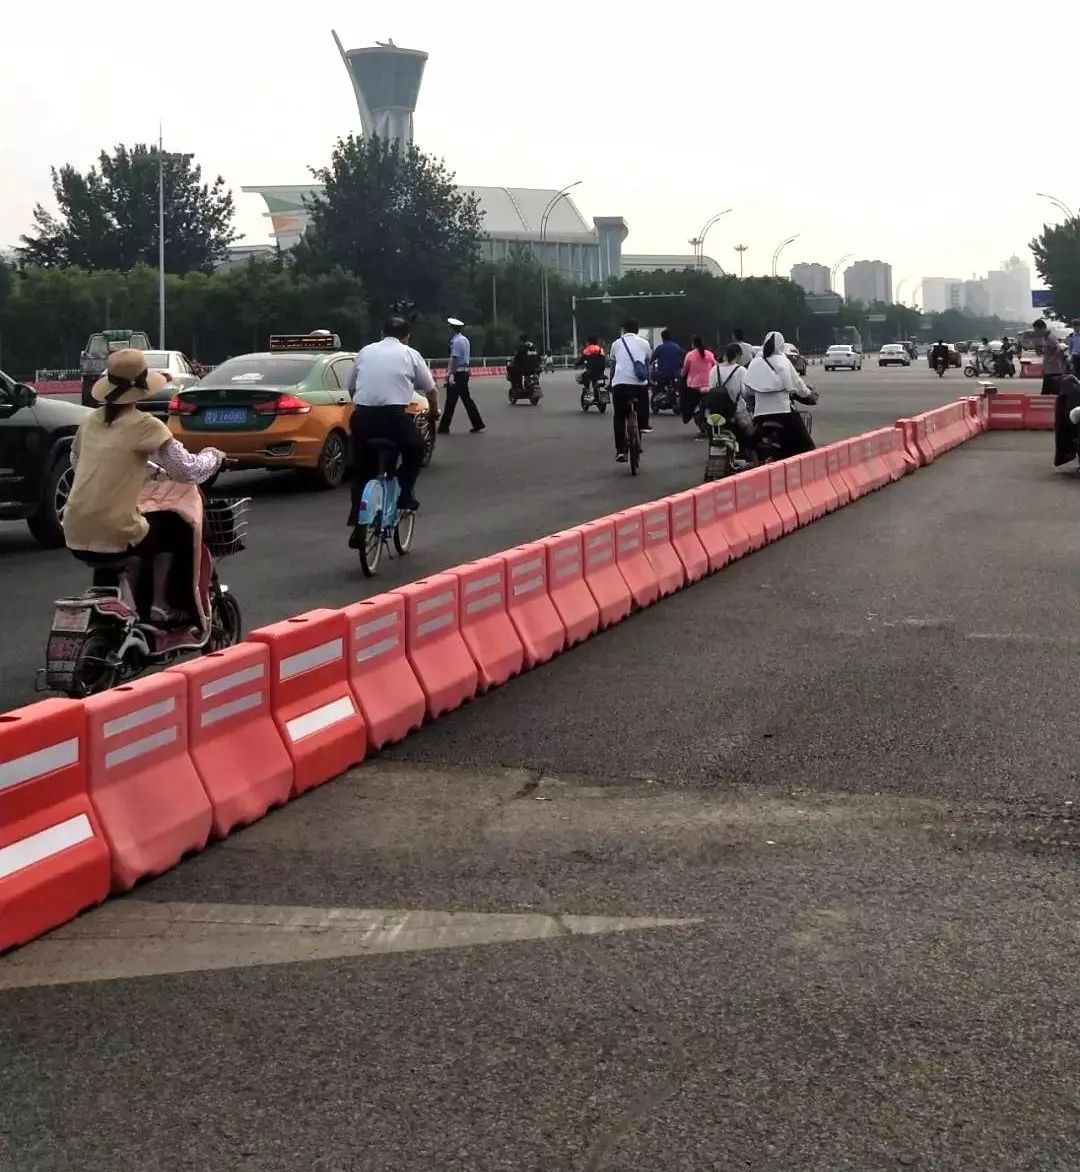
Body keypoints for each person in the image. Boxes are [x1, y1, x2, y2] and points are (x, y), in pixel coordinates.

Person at [63, 348, 224, 621]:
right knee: (175, 527)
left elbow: (78, 462)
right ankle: (160, 606)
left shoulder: (89, 421)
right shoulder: (146, 425)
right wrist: (214, 456)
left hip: (74, 530)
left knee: (144, 529)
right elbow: (185, 470)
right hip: (116, 531)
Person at [346, 311, 433, 545]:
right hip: (394, 418)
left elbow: (350, 387)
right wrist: (433, 413)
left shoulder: (365, 352)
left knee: (363, 470)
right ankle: (404, 495)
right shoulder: (410, 354)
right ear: (407, 336)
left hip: (362, 417)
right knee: (415, 450)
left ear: (382, 333)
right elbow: (430, 388)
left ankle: (358, 523)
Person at [745, 331, 816, 457]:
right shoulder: (783, 361)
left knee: (750, 446)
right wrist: (809, 394)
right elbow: (799, 385)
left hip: (760, 416)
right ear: (781, 345)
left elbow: (748, 391)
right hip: (783, 414)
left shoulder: (754, 362)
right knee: (807, 449)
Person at [607, 317, 653, 462]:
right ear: (637, 330)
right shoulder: (645, 344)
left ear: (624, 329)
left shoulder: (616, 344)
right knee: (643, 404)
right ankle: (644, 424)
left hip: (620, 384)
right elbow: (646, 365)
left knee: (619, 416)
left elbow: (613, 367)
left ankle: (621, 450)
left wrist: (610, 383)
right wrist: (649, 381)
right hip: (639, 384)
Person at [438, 317, 485, 434]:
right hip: (463, 372)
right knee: (467, 400)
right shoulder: (464, 340)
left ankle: (444, 427)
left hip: (458, 373)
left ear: (451, 329)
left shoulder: (456, 341)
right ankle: (478, 423)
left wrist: (450, 374)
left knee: (450, 402)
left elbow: (454, 359)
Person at [681, 335, 717, 431]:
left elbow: (684, 370)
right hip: (709, 385)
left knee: (687, 402)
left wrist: (681, 375)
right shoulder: (709, 354)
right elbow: (716, 366)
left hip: (693, 386)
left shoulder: (690, 355)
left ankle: (687, 414)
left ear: (693, 343)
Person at [1034, 319, 1068, 396]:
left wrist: (1051, 359)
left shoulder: (1051, 337)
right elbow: (1047, 352)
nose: (1036, 332)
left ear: (1042, 328)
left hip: (1054, 372)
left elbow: (1059, 348)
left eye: (1037, 330)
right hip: (1048, 372)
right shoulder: (1044, 338)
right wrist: (1040, 351)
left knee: (1056, 396)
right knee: (1045, 396)